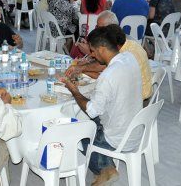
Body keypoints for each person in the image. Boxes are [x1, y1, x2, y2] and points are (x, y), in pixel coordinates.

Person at [61, 25, 142, 185]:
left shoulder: (108, 76)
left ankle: (104, 170)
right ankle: (106, 167)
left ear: (102, 48)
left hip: (117, 136)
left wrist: (74, 91)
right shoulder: (129, 58)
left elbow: (92, 111)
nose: (91, 54)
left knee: (77, 132)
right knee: (88, 119)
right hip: (135, 128)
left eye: (93, 50)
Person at [68, 11, 153, 100]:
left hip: (135, 100)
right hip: (137, 93)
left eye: (100, 29)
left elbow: (103, 72)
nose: (97, 31)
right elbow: (103, 69)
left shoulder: (123, 53)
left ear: (110, 30)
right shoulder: (126, 43)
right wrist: (82, 69)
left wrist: (81, 68)